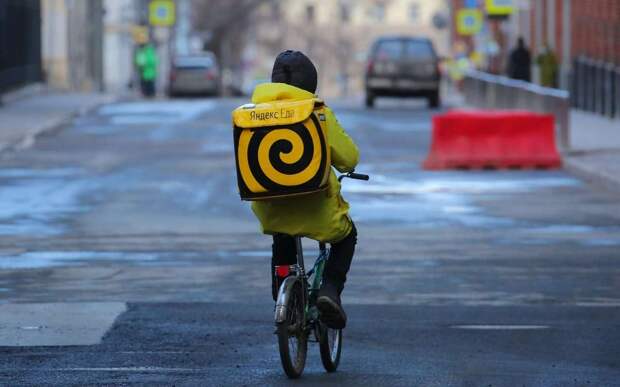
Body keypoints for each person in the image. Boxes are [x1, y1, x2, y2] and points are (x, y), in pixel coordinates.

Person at [248, 50, 359, 329]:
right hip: (317, 208)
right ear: (311, 83)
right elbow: (348, 159)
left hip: (271, 208)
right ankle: (330, 291)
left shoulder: (253, 114)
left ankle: (283, 295)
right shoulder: (317, 112)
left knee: (282, 237)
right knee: (347, 237)